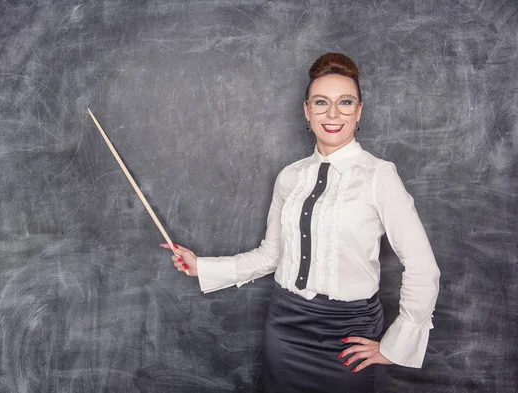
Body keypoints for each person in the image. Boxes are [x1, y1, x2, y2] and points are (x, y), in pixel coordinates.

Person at [160, 53, 440, 393]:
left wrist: (395, 345)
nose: (333, 114)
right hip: (286, 327)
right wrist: (201, 267)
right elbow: (271, 255)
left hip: (350, 332)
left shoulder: (379, 175)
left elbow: (422, 266)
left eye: (345, 103)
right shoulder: (289, 177)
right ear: (307, 111)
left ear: (359, 111)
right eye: (321, 103)